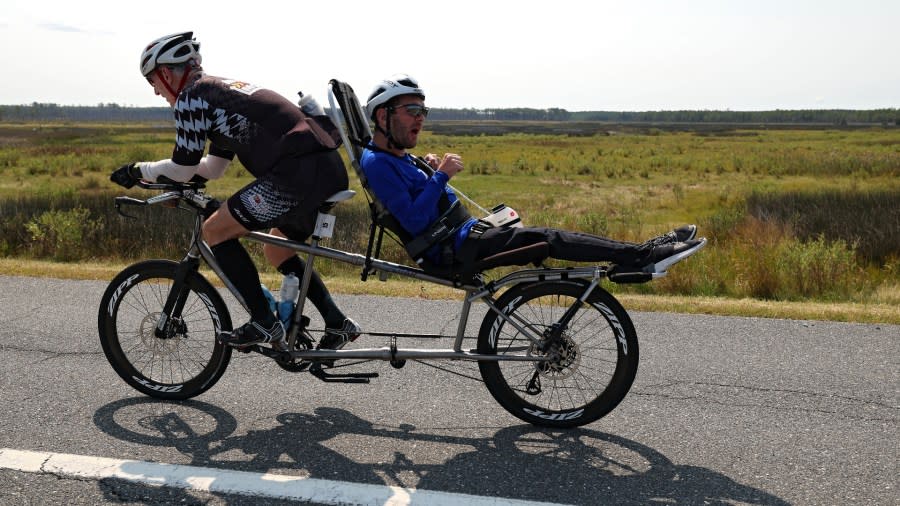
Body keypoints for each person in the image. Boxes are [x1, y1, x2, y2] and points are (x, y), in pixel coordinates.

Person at [110, 32, 360, 351]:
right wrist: (159, 177)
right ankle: (337, 323)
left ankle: (263, 322)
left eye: (152, 82)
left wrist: (138, 171)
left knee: (214, 231)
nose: (157, 92)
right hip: (324, 169)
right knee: (277, 249)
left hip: (298, 174)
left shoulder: (192, 96)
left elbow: (183, 168)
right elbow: (213, 168)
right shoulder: (219, 93)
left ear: (165, 73)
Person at [359, 74, 705, 275]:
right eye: (411, 110)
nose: (420, 117)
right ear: (382, 116)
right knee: (549, 238)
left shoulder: (398, 158)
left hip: (467, 235)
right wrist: (441, 176)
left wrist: (428, 169)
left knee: (544, 234)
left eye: (423, 110)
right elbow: (415, 221)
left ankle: (643, 250)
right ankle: (643, 257)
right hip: (457, 250)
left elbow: (419, 203)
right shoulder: (378, 163)